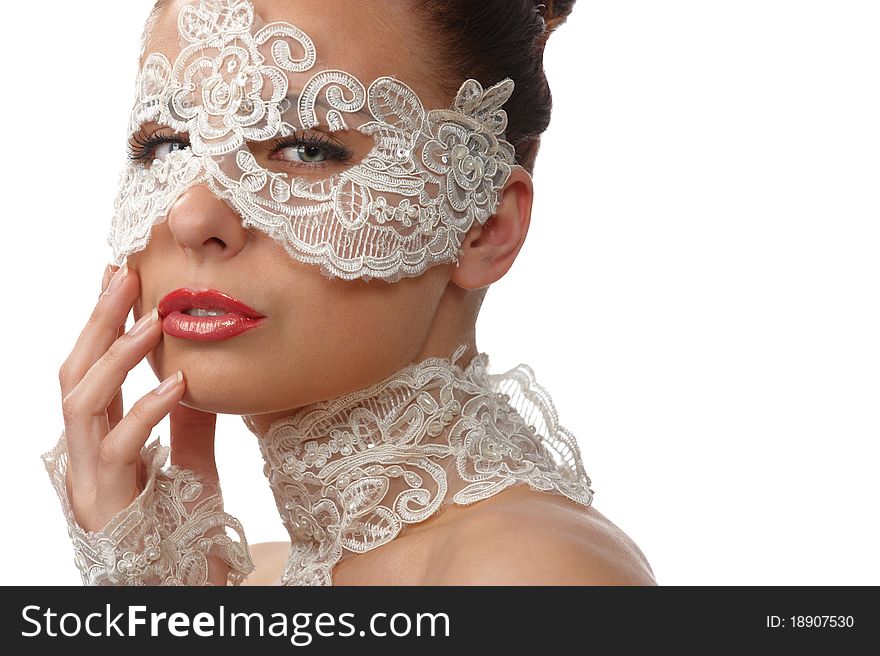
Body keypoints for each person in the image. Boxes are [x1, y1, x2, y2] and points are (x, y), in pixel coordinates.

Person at [44, 0, 656, 586]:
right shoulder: (238, 582)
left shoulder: (532, 580)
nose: (191, 216)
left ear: (484, 226)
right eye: (170, 145)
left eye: (305, 147)